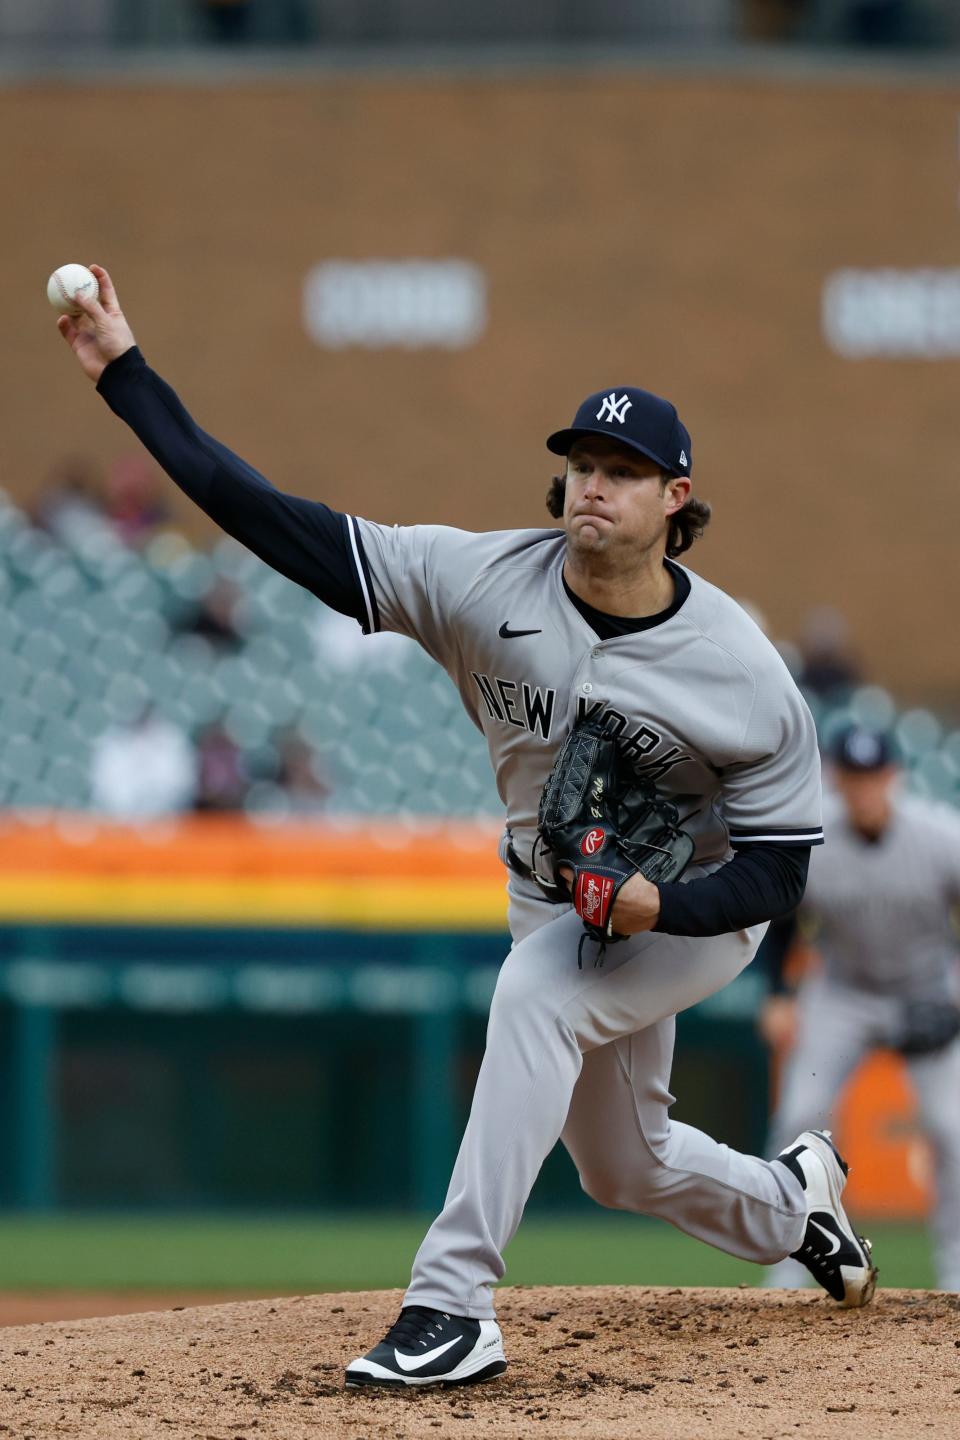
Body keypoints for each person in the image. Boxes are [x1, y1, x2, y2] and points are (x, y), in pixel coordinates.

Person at [55, 265, 877, 1391]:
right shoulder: (476, 578)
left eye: (624, 473)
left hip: (695, 903)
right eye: (582, 464)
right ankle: (796, 1207)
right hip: (555, 889)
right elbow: (263, 515)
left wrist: (663, 907)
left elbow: (783, 870)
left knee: (537, 993)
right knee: (622, 1165)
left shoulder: (741, 671)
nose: (594, 486)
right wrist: (123, 374)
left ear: (675, 497)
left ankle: (451, 1305)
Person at [760, 724, 960, 1292]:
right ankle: (787, 1266)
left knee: (953, 1130)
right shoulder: (816, 840)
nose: (866, 789)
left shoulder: (941, 836)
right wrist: (778, 995)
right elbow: (781, 921)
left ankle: (956, 1272)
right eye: (854, 778)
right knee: (800, 1114)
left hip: (925, 990)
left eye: (875, 777)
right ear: (838, 782)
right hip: (842, 992)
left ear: (895, 778)